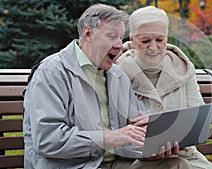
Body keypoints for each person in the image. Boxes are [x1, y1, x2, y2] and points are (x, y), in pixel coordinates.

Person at [23, 4, 191, 169]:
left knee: (177, 165)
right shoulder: (52, 72)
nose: (119, 45)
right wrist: (108, 138)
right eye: (112, 36)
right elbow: (48, 140)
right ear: (88, 34)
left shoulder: (116, 75)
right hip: (74, 165)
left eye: (120, 37)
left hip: (113, 163)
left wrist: (150, 149)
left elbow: (131, 133)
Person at [116, 6, 212, 169]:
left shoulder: (183, 68)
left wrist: (174, 134)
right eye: (145, 41)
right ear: (133, 40)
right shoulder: (117, 73)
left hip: (186, 156)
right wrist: (146, 149)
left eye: (159, 40)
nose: (153, 47)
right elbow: (113, 135)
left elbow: (198, 116)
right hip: (135, 161)